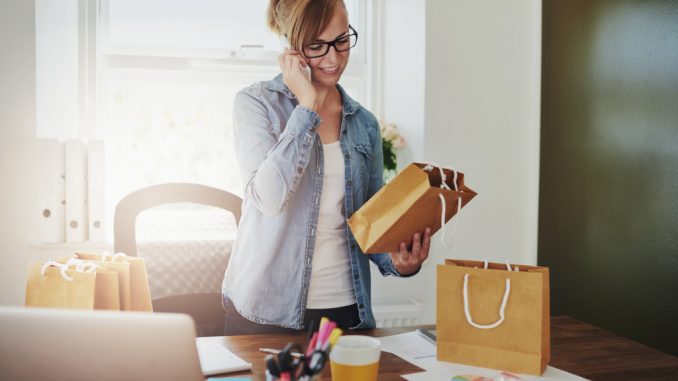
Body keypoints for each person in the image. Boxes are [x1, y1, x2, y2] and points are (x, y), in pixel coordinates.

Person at [221, 0, 431, 335]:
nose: (333, 58)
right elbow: (268, 198)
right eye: (317, 46)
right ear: (292, 47)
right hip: (266, 312)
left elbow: (370, 223)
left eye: (342, 40)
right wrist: (307, 107)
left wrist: (400, 262)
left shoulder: (364, 124)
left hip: (347, 311)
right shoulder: (256, 104)